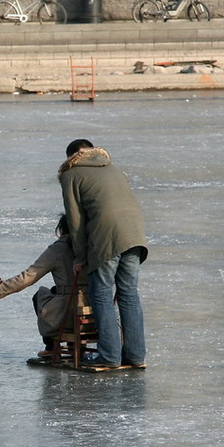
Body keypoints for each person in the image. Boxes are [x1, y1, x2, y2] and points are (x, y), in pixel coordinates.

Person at [58, 139, 148, 369]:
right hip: (135, 233)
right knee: (129, 292)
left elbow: (75, 220)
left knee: (101, 293)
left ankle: (109, 355)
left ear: (71, 157)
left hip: (106, 234)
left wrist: (80, 258)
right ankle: (136, 356)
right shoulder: (113, 168)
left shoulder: (71, 174)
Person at [0, 216, 88, 358]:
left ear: (62, 229)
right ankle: (78, 345)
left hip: (67, 316)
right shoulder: (94, 246)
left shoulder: (58, 249)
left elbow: (28, 277)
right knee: (63, 292)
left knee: (40, 294)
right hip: (95, 315)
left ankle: (51, 345)